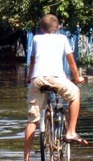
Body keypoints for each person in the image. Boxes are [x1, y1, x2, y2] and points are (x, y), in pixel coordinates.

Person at [24, 14, 88, 161]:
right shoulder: (62, 39)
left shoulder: (36, 39)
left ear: (41, 28)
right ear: (59, 27)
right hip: (56, 78)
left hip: (37, 79)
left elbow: (32, 61)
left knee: (32, 120)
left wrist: (29, 77)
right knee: (75, 93)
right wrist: (77, 77)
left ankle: (25, 158)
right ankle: (71, 132)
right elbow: (71, 61)